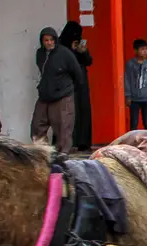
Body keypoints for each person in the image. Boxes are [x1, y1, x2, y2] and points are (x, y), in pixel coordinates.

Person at [32, 27, 84, 154]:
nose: (49, 43)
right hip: (45, 96)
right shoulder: (40, 53)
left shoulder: (65, 54)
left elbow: (78, 74)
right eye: (46, 40)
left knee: (63, 128)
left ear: (55, 40)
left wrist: (67, 90)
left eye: (51, 40)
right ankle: (43, 153)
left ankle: (63, 156)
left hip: (62, 95)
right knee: (37, 125)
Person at [58, 22, 93, 151]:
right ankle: (67, 142)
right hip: (67, 83)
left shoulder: (80, 46)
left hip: (82, 83)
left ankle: (83, 141)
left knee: (83, 110)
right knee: (68, 113)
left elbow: (89, 61)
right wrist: (71, 51)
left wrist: (83, 52)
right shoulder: (61, 47)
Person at [125, 39, 147, 131]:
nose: (145, 51)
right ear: (135, 50)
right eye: (142, 49)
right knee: (134, 122)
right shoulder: (130, 64)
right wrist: (128, 96)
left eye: (146, 49)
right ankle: (132, 141)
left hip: (146, 98)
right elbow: (127, 80)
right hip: (134, 98)